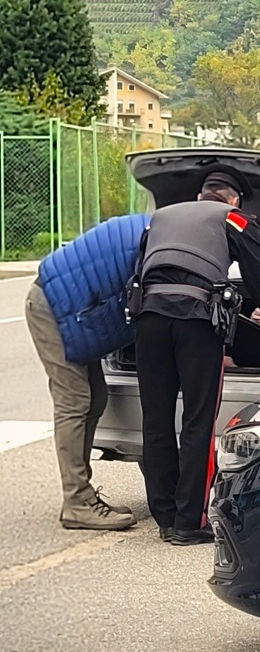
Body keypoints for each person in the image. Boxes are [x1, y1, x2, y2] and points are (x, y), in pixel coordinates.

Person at [133, 165, 260, 546]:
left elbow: (140, 273)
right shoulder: (234, 218)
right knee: (198, 419)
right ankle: (189, 522)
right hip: (195, 324)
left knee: (156, 419)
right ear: (233, 199)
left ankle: (165, 517)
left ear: (202, 195)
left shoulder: (159, 218)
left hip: (148, 321)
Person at [26, 214, 150, 531]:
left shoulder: (156, 230)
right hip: (53, 307)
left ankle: (83, 496)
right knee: (75, 401)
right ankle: (78, 502)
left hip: (74, 309)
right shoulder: (156, 246)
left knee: (95, 397)